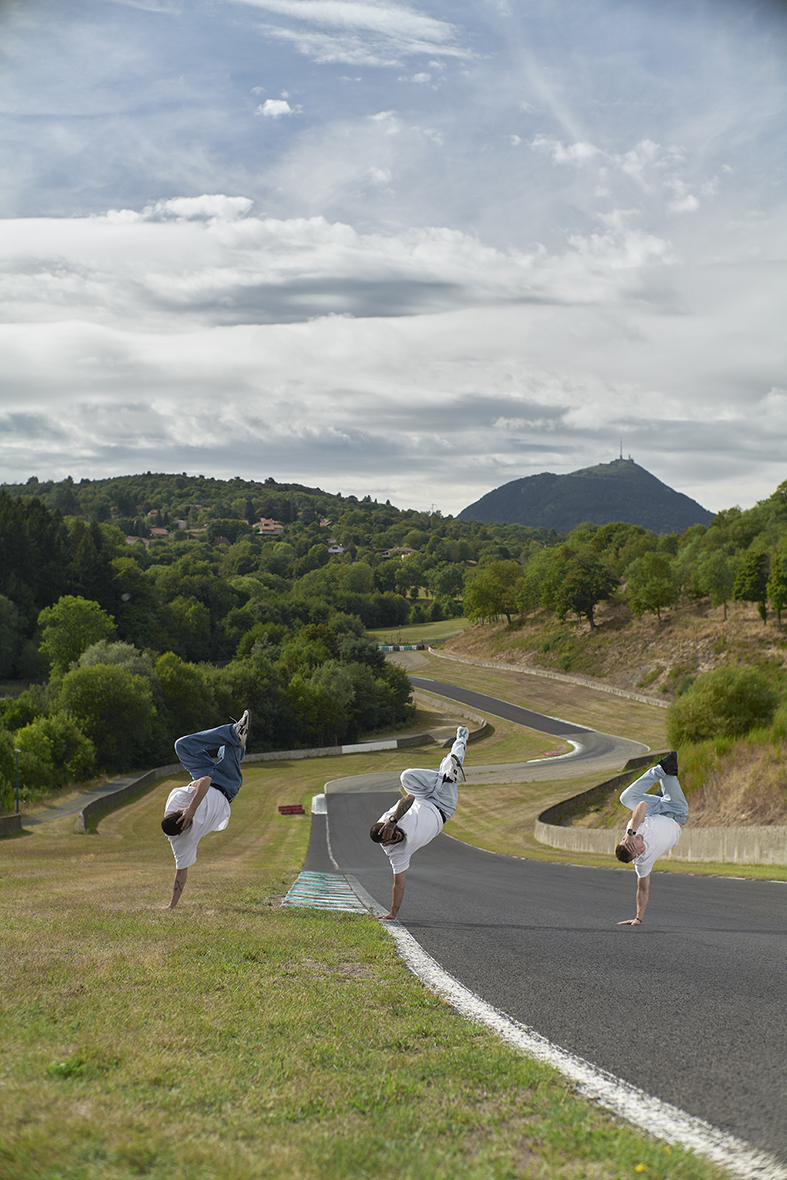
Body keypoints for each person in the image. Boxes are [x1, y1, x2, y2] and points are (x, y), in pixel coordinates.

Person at [370, 725, 469, 920]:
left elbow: (408, 798)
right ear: (386, 844)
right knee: (448, 762)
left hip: (423, 796)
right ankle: (460, 743)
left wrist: (393, 820)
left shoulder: (389, 820)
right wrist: (393, 912)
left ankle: (446, 776)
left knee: (406, 776)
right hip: (443, 807)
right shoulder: (397, 854)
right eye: (394, 837)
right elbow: (398, 884)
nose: (397, 833)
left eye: (394, 831)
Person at [161, 710, 250, 910]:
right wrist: (171, 906)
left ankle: (234, 733)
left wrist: (191, 809)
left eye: (182, 815)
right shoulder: (181, 844)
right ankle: (236, 740)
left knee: (181, 745)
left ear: (175, 812)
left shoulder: (175, 802)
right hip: (228, 786)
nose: (187, 819)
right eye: (186, 823)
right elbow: (180, 873)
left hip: (205, 777)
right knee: (231, 747)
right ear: (182, 832)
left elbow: (205, 781)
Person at [615, 750, 688, 927]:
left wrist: (630, 833)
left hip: (656, 809)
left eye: (625, 840)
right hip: (676, 812)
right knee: (670, 771)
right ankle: (663, 787)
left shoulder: (632, 832)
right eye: (632, 844)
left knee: (626, 798)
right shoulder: (643, 863)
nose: (633, 839)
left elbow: (642, 805)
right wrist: (638, 918)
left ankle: (658, 772)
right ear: (638, 854)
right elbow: (642, 889)